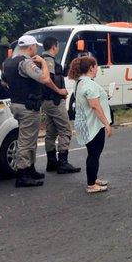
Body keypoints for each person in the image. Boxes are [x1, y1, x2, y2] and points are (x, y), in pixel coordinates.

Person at [2, 35, 68, 187]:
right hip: (28, 107)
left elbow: (4, 82)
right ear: (31, 47)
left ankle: (30, 169)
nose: (36, 49)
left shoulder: (7, 62)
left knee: (30, 138)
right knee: (26, 141)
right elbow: (44, 78)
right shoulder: (25, 63)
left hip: (17, 104)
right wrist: (43, 63)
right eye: (35, 47)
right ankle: (23, 174)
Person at [68, 56, 112, 194]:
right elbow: (95, 106)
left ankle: (93, 178)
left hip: (84, 123)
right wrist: (106, 123)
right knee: (94, 154)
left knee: (93, 153)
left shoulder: (80, 82)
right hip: (92, 124)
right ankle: (91, 184)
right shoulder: (89, 84)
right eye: (96, 66)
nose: (97, 68)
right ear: (91, 67)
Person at [41, 36, 81, 174]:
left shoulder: (43, 59)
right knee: (65, 130)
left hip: (48, 101)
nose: (58, 48)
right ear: (54, 46)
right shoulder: (48, 61)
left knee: (51, 132)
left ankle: (52, 161)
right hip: (54, 101)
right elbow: (48, 80)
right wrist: (59, 91)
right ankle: (63, 163)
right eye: (57, 45)